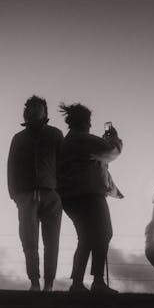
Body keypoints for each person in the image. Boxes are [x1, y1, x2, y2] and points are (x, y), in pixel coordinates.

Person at [57, 103, 123, 294]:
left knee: (86, 237)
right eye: (89, 121)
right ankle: (98, 282)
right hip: (87, 194)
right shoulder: (81, 139)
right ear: (85, 121)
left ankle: (78, 283)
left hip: (71, 196)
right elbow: (111, 152)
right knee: (104, 233)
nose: (90, 125)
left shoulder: (71, 140)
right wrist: (114, 139)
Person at [7, 96, 64, 292]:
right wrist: (15, 194)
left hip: (51, 194)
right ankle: (34, 282)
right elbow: (11, 167)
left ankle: (49, 284)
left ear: (45, 112)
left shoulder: (55, 134)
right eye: (29, 107)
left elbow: (63, 164)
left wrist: (60, 193)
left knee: (52, 242)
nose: (32, 110)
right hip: (26, 194)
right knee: (29, 241)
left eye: (37, 107)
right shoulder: (18, 138)